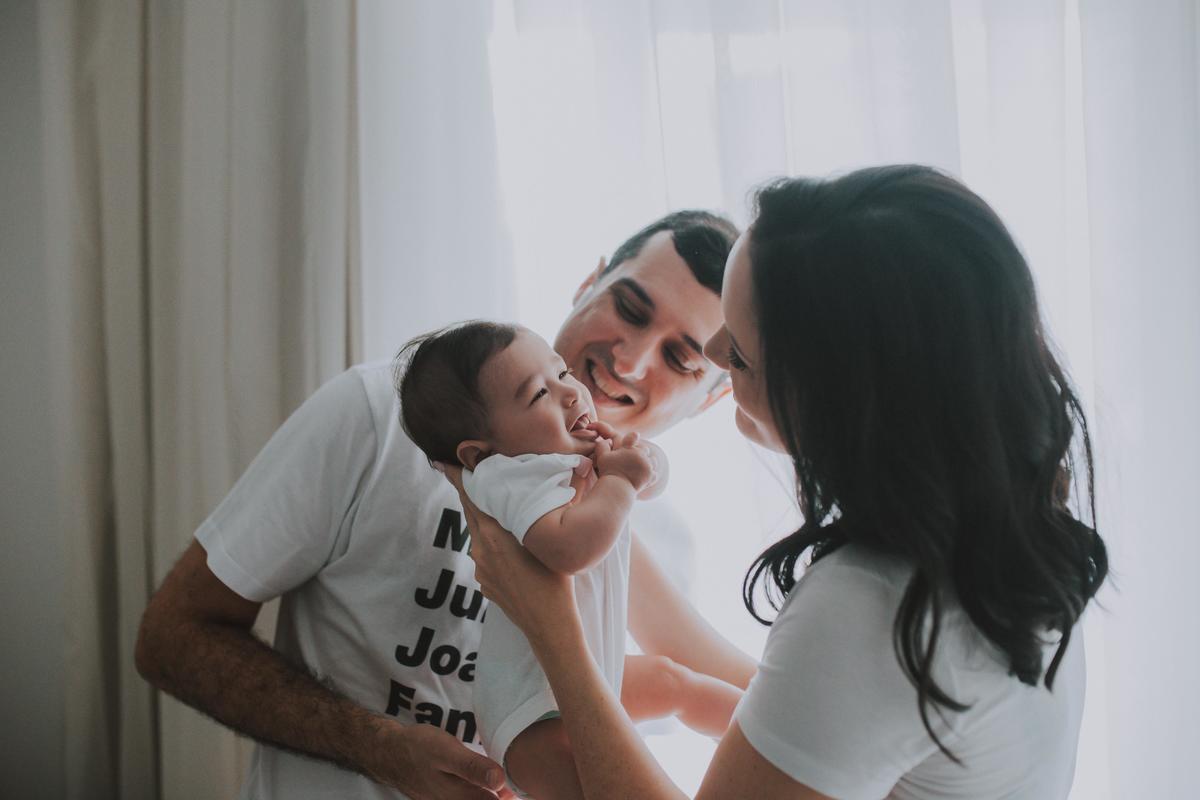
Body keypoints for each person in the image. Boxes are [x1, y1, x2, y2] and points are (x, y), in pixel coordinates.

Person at [458, 166, 1110, 799]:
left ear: (831, 400)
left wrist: (555, 633)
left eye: (736, 353)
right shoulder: (1014, 548)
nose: (714, 357)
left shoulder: (875, 604)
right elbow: (788, 700)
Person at [134, 210, 757, 800]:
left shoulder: (635, 523)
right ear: (587, 283)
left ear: (711, 397)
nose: (629, 361)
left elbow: (727, 684)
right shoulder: (381, 418)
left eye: (680, 357)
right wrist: (377, 746)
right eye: (628, 308)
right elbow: (173, 638)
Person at [398, 321, 741, 798]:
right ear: (479, 452)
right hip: (530, 716)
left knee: (671, 681)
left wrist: (640, 459)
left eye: (562, 374)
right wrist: (621, 480)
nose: (570, 393)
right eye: (539, 394)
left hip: (585, 674)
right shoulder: (507, 476)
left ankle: (767, 746)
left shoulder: (570, 453)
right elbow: (568, 549)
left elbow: (651, 481)